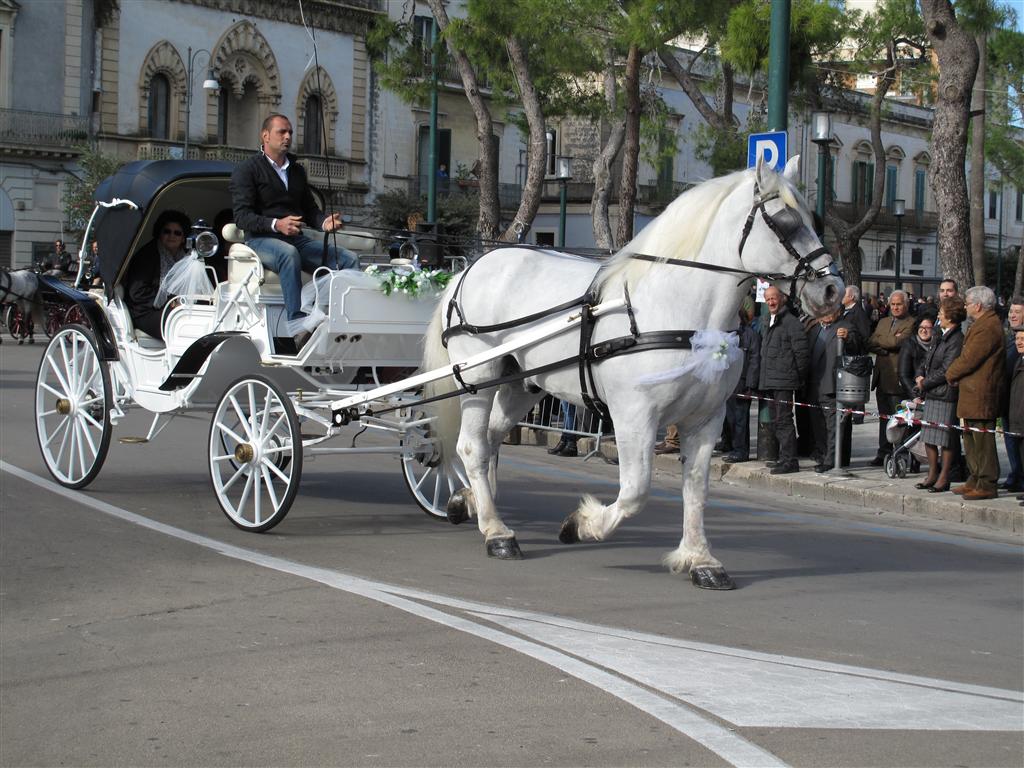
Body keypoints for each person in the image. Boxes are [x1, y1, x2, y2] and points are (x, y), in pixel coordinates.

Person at [230, 113, 358, 350]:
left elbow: (310, 210)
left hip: (296, 239)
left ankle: (340, 322)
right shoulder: (247, 170)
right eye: (282, 132)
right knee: (288, 254)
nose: (288, 136)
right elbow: (241, 217)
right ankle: (298, 327)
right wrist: (276, 224)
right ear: (265, 136)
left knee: (348, 259)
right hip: (261, 239)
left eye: (290, 132)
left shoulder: (297, 171)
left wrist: (324, 222)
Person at [945, 286, 1006, 501]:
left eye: (968, 304)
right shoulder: (981, 324)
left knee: (982, 440)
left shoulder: (988, 326)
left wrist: (950, 373)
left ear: (978, 305)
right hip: (972, 392)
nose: (966, 307)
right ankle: (975, 477)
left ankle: (987, 482)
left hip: (982, 392)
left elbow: (970, 358)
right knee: (970, 438)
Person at [912, 297, 966, 493]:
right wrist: (920, 374)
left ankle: (944, 476)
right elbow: (927, 358)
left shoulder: (956, 339)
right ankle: (932, 473)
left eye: (941, 313)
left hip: (945, 393)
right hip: (932, 393)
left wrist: (925, 382)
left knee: (945, 438)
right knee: (929, 436)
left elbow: (946, 369)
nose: (938, 316)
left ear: (950, 317)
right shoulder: (939, 334)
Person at [758, 285, 809, 474]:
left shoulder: (791, 322)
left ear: (782, 299)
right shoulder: (768, 320)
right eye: (768, 299)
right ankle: (783, 458)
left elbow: (802, 354)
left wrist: (798, 377)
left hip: (784, 381)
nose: (771, 302)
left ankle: (790, 461)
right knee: (776, 422)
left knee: (784, 421)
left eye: (774, 298)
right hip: (770, 380)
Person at [805, 305, 862, 472]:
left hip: (831, 385)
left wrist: (848, 338)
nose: (827, 314)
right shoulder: (815, 329)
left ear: (838, 312)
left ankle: (831, 459)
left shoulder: (845, 327)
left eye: (831, 310)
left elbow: (857, 346)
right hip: (814, 384)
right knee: (817, 425)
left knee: (833, 425)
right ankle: (823, 454)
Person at [123, 210, 191, 340]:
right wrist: (170, 302)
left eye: (177, 233)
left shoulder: (185, 256)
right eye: (167, 231)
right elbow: (137, 292)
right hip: (144, 312)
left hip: (175, 306)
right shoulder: (147, 255)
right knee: (181, 323)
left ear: (183, 238)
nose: (171, 236)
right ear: (159, 233)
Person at [866, 290, 915, 466]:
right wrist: (887, 344)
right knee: (884, 418)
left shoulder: (912, 323)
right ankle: (883, 452)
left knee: (899, 420)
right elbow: (870, 342)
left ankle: (901, 453)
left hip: (897, 380)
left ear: (906, 305)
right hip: (881, 378)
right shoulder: (883, 321)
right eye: (893, 304)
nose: (895, 307)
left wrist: (884, 341)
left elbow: (897, 343)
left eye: (899, 304)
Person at [721, 298, 761, 464]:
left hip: (742, 384)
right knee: (729, 417)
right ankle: (730, 444)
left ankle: (741, 450)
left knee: (740, 420)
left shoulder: (750, 335)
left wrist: (750, 385)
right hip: (729, 384)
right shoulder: (728, 335)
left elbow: (754, 361)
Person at [1001, 297, 1024, 492]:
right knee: (1011, 440)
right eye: (1011, 312)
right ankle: (1016, 474)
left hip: (1019, 401)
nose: (1013, 315)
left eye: (1017, 312)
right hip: (1008, 399)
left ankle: (1019, 476)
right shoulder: (1010, 338)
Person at [899, 316, 936, 400]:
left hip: (933, 393)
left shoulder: (938, 345)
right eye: (921, 327)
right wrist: (915, 396)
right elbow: (903, 375)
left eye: (928, 328)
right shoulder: (909, 344)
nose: (924, 330)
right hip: (913, 392)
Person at [1007, 328, 1024, 507]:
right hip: (1017, 416)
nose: (1019, 342)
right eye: (1018, 338)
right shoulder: (1019, 359)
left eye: (1023, 339)